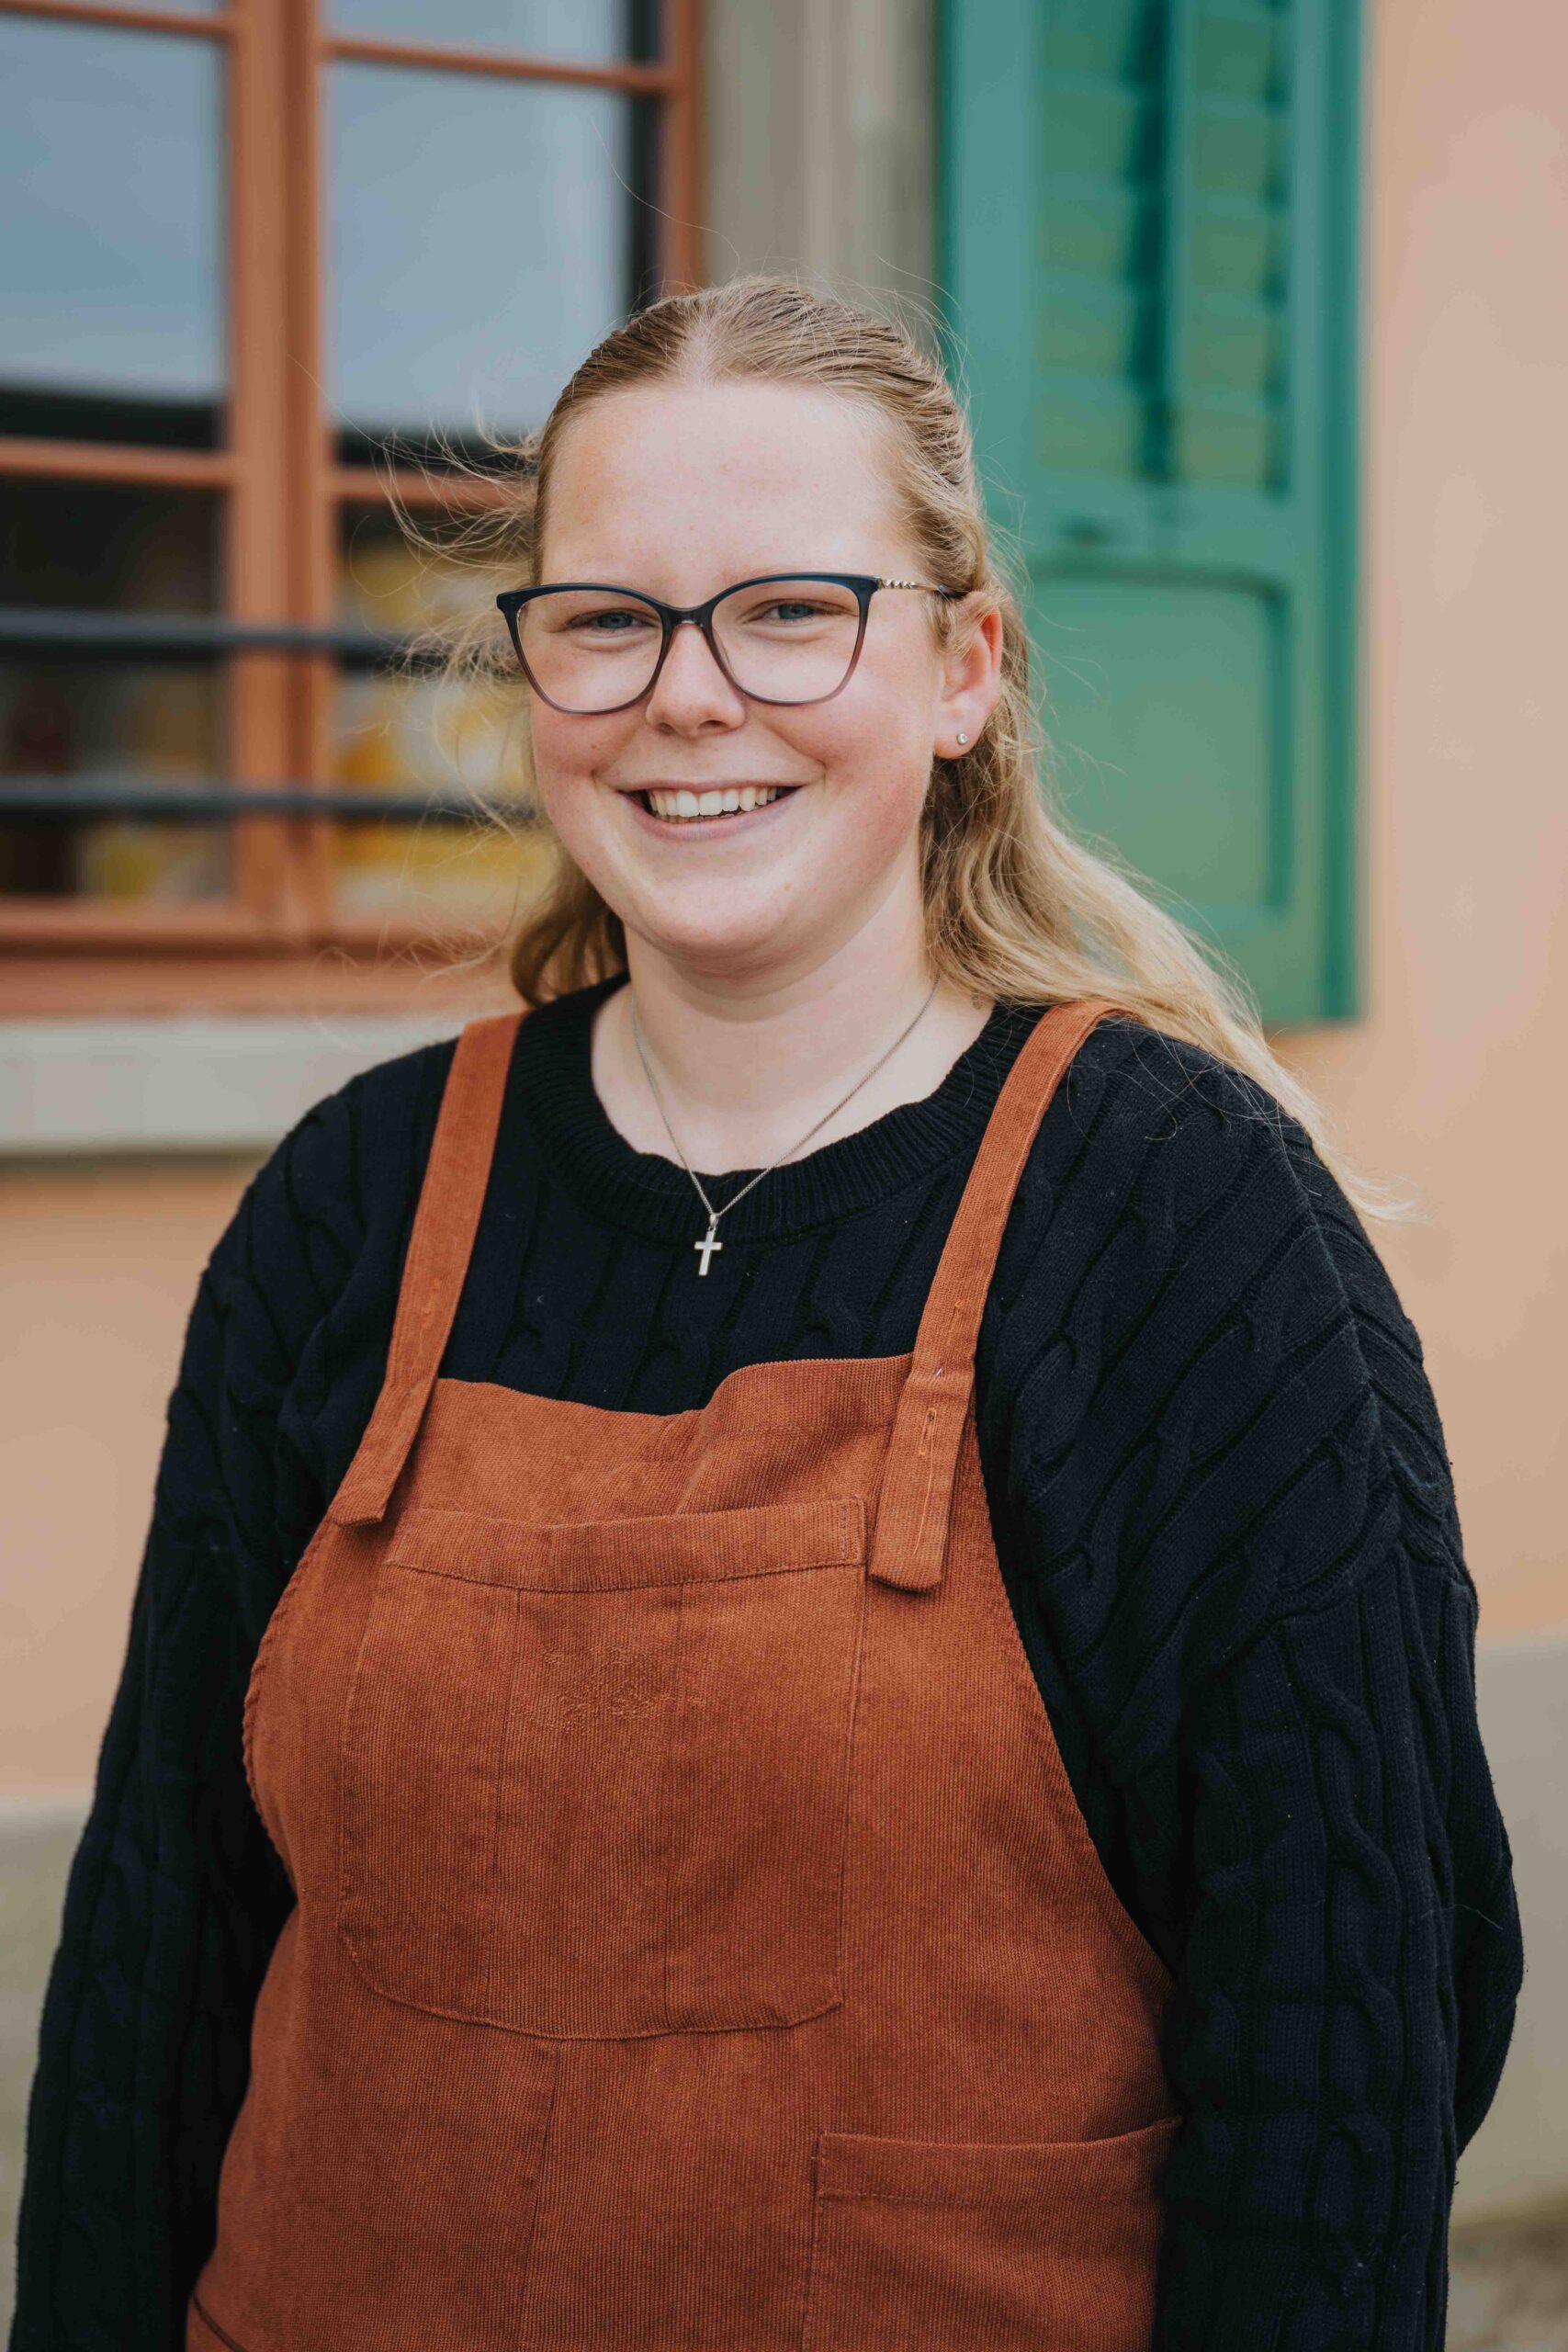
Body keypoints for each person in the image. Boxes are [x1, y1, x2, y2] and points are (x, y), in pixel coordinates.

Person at [10, 278, 1521, 2352]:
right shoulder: (348, 1206)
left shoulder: (1176, 1227)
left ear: (962, 668)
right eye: (606, 619)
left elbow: (1346, 2048)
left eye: (790, 612)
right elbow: (155, 1961)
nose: (687, 697)